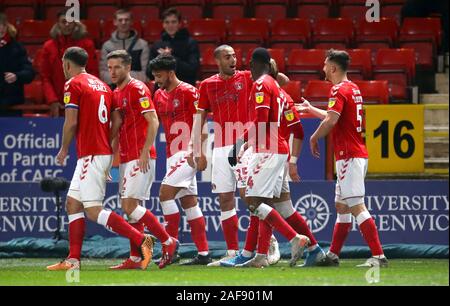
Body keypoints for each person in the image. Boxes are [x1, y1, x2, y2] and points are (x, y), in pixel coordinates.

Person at [46, 47, 153, 271]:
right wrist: (107, 142)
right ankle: (73, 260)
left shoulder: (73, 84)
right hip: (97, 152)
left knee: (93, 210)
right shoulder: (103, 86)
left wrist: (64, 148)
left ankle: (141, 239)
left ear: (66, 64)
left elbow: (71, 122)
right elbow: (116, 119)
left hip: (91, 153)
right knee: (72, 203)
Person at [222, 59, 326, 267]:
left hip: (266, 151)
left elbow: (260, 121)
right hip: (280, 154)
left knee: (254, 203)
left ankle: (289, 240)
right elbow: (298, 131)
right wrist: (293, 161)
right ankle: (315, 250)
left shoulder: (262, 87)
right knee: (282, 208)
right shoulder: (285, 97)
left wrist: (243, 143)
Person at [191, 45, 286, 266]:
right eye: (227, 57)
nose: (233, 60)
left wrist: (270, 73)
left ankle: (269, 242)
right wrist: (197, 151)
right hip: (222, 147)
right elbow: (200, 118)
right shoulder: (207, 85)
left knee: (250, 197)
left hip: (246, 145)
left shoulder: (248, 77)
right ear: (217, 61)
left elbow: (282, 80)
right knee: (225, 198)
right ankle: (232, 250)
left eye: (234, 56)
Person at [295, 49, 388, 268]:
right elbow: (333, 117)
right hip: (355, 154)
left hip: (349, 156)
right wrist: (311, 109)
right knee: (341, 206)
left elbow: (330, 123)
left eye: (325, 64)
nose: (323, 68)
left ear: (334, 67)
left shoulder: (338, 90)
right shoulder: (353, 88)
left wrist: (314, 138)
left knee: (356, 206)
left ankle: (378, 256)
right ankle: (333, 255)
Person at [106, 50, 178, 270]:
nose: (113, 71)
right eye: (109, 68)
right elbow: (117, 130)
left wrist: (146, 150)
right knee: (131, 208)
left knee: (129, 206)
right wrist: (111, 161)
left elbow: (153, 120)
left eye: (117, 67)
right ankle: (136, 258)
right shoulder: (116, 93)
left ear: (128, 67)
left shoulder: (137, 88)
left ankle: (168, 241)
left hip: (141, 155)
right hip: (128, 156)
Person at [149, 54, 211, 266]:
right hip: (171, 153)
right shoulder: (158, 94)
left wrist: (200, 151)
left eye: (160, 75)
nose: (157, 80)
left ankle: (171, 246)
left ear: (171, 72)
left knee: (165, 194)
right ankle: (204, 254)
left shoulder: (188, 91)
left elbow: (201, 121)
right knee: (189, 202)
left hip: (188, 151)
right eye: (154, 76)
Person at [41, 9, 99, 117]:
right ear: (58, 24)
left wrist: (84, 99)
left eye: (70, 21)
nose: (67, 25)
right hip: (57, 103)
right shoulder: (48, 47)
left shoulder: (87, 45)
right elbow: (45, 77)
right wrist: (52, 100)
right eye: (63, 22)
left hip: (82, 102)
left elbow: (92, 74)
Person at [146, 7, 200, 86]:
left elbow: (192, 70)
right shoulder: (157, 45)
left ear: (179, 24)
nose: (170, 25)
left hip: (184, 87)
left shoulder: (191, 43)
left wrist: (171, 58)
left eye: (173, 22)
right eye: (167, 22)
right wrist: (159, 60)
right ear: (163, 24)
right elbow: (149, 73)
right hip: (162, 90)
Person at [100, 9, 149, 87]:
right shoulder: (107, 46)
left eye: (126, 20)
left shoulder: (142, 45)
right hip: (113, 89)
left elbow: (146, 74)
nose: (123, 22)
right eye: (120, 20)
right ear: (115, 22)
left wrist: (119, 76)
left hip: (136, 88)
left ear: (131, 22)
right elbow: (103, 74)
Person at [0, 13, 35, 116]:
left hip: (11, 106)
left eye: (3, 25)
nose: (1, 28)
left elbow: (29, 72)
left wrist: (17, 76)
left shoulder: (17, 47)